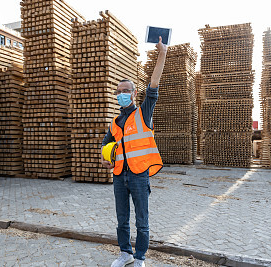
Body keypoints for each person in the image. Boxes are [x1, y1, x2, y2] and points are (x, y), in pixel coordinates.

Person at [101, 36, 167, 267]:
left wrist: (162, 54)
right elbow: (105, 144)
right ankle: (125, 253)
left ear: (134, 93)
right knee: (122, 220)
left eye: (125, 90)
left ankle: (139, 258)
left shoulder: (143, 112)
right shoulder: (115, 121)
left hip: (139, 175)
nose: (121, 94)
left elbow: (154, 86)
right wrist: (105, 159)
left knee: (142, 221)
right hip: (119, 176)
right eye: (118, 91)